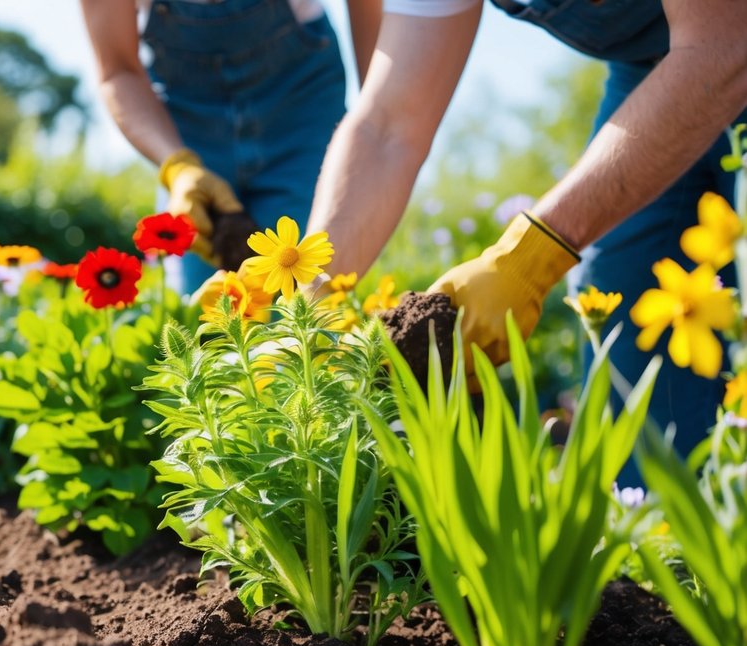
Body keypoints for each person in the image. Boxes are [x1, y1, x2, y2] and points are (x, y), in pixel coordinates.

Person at [305, 0, 747, 481]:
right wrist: (309, 295)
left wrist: (534, 251)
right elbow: (387, 126)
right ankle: (672, 538)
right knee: (625, 299)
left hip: (723, 38)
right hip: (656, 65)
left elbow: (726, 43)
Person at [80, 0, 382, 291]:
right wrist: (178, 165)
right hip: (188, 124)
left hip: (301, 107)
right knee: (199, 310)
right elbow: (118, 69)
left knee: (304, 292)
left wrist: (379, 133)